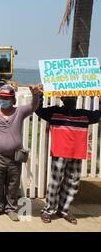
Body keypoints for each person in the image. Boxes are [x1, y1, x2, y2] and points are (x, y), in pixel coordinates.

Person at [36, 95, 101, 225]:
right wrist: (40, 95)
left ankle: (64, 210)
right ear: (62, 100)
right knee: (55, 183)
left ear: (76, 99)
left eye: (72, 98)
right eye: (68, 98)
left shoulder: (83, 114)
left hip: (76, 153)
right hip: (59, 152)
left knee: (72, 183)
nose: (70, 100)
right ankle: (48, 210)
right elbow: (38, 110)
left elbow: (98, 114)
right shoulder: (54, 112)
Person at [0, 84, 41, 221]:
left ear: (13, 100)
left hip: (15, 157)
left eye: (7, 98)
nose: (4, 100)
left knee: (13, 184)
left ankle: (11, 209)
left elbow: (33, 106)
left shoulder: (19, 112)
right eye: (1, 97)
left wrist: (35, 95)